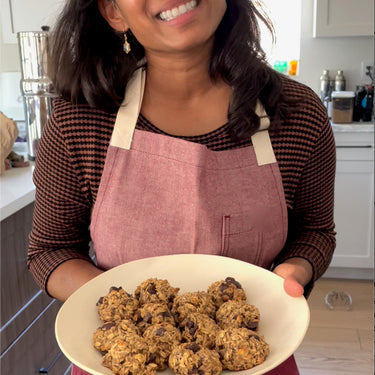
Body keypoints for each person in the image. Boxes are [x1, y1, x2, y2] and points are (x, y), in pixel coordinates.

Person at [27, 0, 336, 374]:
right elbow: (50, 250)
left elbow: (316, 231)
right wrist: (128, 310)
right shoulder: (80, 118)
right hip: (121, 361)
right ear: (113, 11)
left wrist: (296, 270)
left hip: (255, 358)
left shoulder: (297, 112)